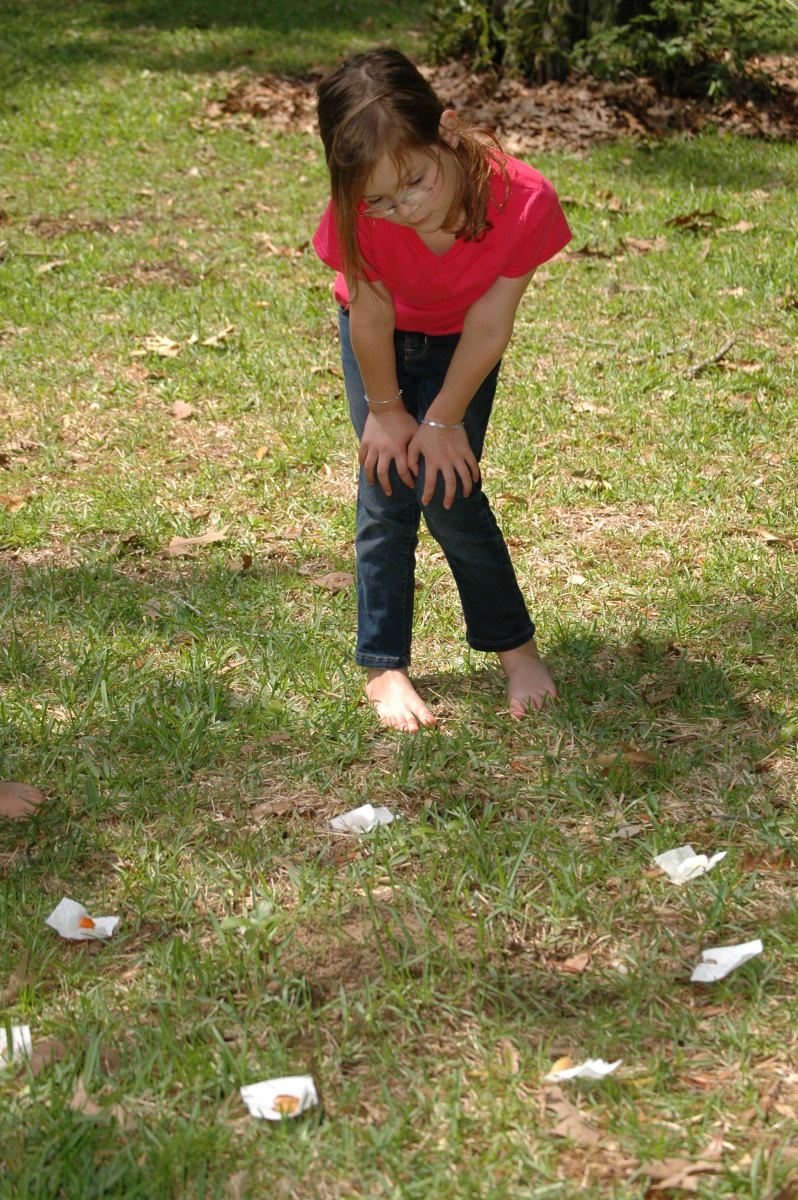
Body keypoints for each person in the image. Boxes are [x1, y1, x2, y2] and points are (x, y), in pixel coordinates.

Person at [313, 48, 572, 733]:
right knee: (386, 492)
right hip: (381, 340)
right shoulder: (358, 211)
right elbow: (367, 313)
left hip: (463, 345)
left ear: (446, 129)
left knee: (450, 494)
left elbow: (491, 322)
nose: (401, 208)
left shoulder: (524, 201)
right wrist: (390, 412)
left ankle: (516, 651)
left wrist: (443, 419)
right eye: (377, 200)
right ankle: (385, 665)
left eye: (416, 183)